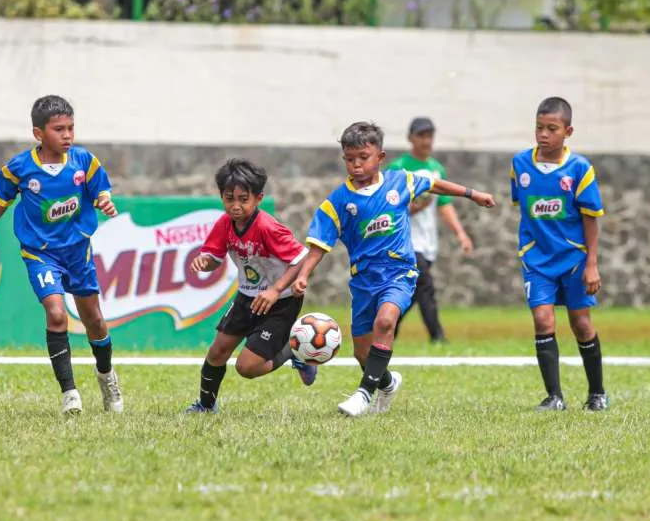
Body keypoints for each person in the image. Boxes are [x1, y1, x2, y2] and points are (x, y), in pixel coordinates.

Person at [293, 121, 495, 417]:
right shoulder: (337, 202)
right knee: (362, 352)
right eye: (350, 159)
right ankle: (387, 382)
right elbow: (319, 244)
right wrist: (303, 274)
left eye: (363, 158)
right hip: (363, 280)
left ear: (380, 157)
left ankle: (363, 394)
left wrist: (472, 193)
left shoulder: (400, 181)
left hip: (399, 271)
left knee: (386, 322)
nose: (357, 165)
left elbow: (433, 183)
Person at [0, 94, 122, 416]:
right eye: (58, 129)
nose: (67, 135)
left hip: (77, 250)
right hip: (40, 253)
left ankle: (107, 377)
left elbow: (101, 189)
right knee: (56, 314)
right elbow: (2, 197)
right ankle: (70, 393)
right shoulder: (20, 168)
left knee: (94, 320)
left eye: (70, 128)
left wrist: (105, 200)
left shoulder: (84, 162)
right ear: (39, 134)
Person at [186, 158, 318, 414]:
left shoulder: (268, 227)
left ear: (258, 198)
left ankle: (295, 352)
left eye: (243, 199)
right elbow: (214, 259)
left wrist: (276, 290)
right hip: (247, 297)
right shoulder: (224, 224)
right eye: (229, 198)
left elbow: (300, 259)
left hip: (282, 301)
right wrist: (205, 262)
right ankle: (206, 405)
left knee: (246, 368)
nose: (235, 206)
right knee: (217, 351)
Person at [510, 96, 608, 412]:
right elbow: (522, 207)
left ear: (568, 131)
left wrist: (591, 264)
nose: (543, 134)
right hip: (537, 260)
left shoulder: (580, 169)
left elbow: (591, 218)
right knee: (542, 318)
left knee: (580, 323)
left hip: (574, 260)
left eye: (552, 128)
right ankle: (554, 397)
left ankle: (597, 393)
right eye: (539, 127)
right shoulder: (520, 164)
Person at [388, 116, 475, 344]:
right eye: (421, 136)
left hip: (428, 243)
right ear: (410, 138)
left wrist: (461, 234)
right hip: (405, 241)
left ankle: (387, 326)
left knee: (414, 292)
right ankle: (437, 337)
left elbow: (444, 206)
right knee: (425, 286)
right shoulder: (398, 168)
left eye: (429, 136)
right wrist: (415, 207)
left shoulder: (437, 170)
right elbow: (388, 208)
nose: (426, 141)